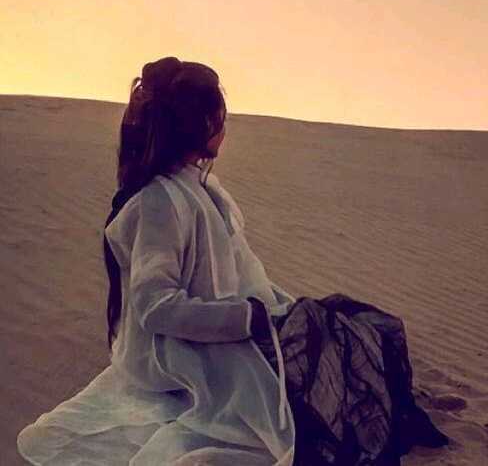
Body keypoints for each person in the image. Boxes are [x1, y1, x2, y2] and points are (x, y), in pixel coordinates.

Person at [18, 56, 448, 465]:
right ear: (198, 126)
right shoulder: (158, 202)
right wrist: (247, 319)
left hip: (230, 326)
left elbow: (241, 274)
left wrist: (282, 313)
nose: (224, 127)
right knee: (315, 392)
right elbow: (155, 307)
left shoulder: (201, 189)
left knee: (354, 328)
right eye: (218, 117)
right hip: (184, 353)